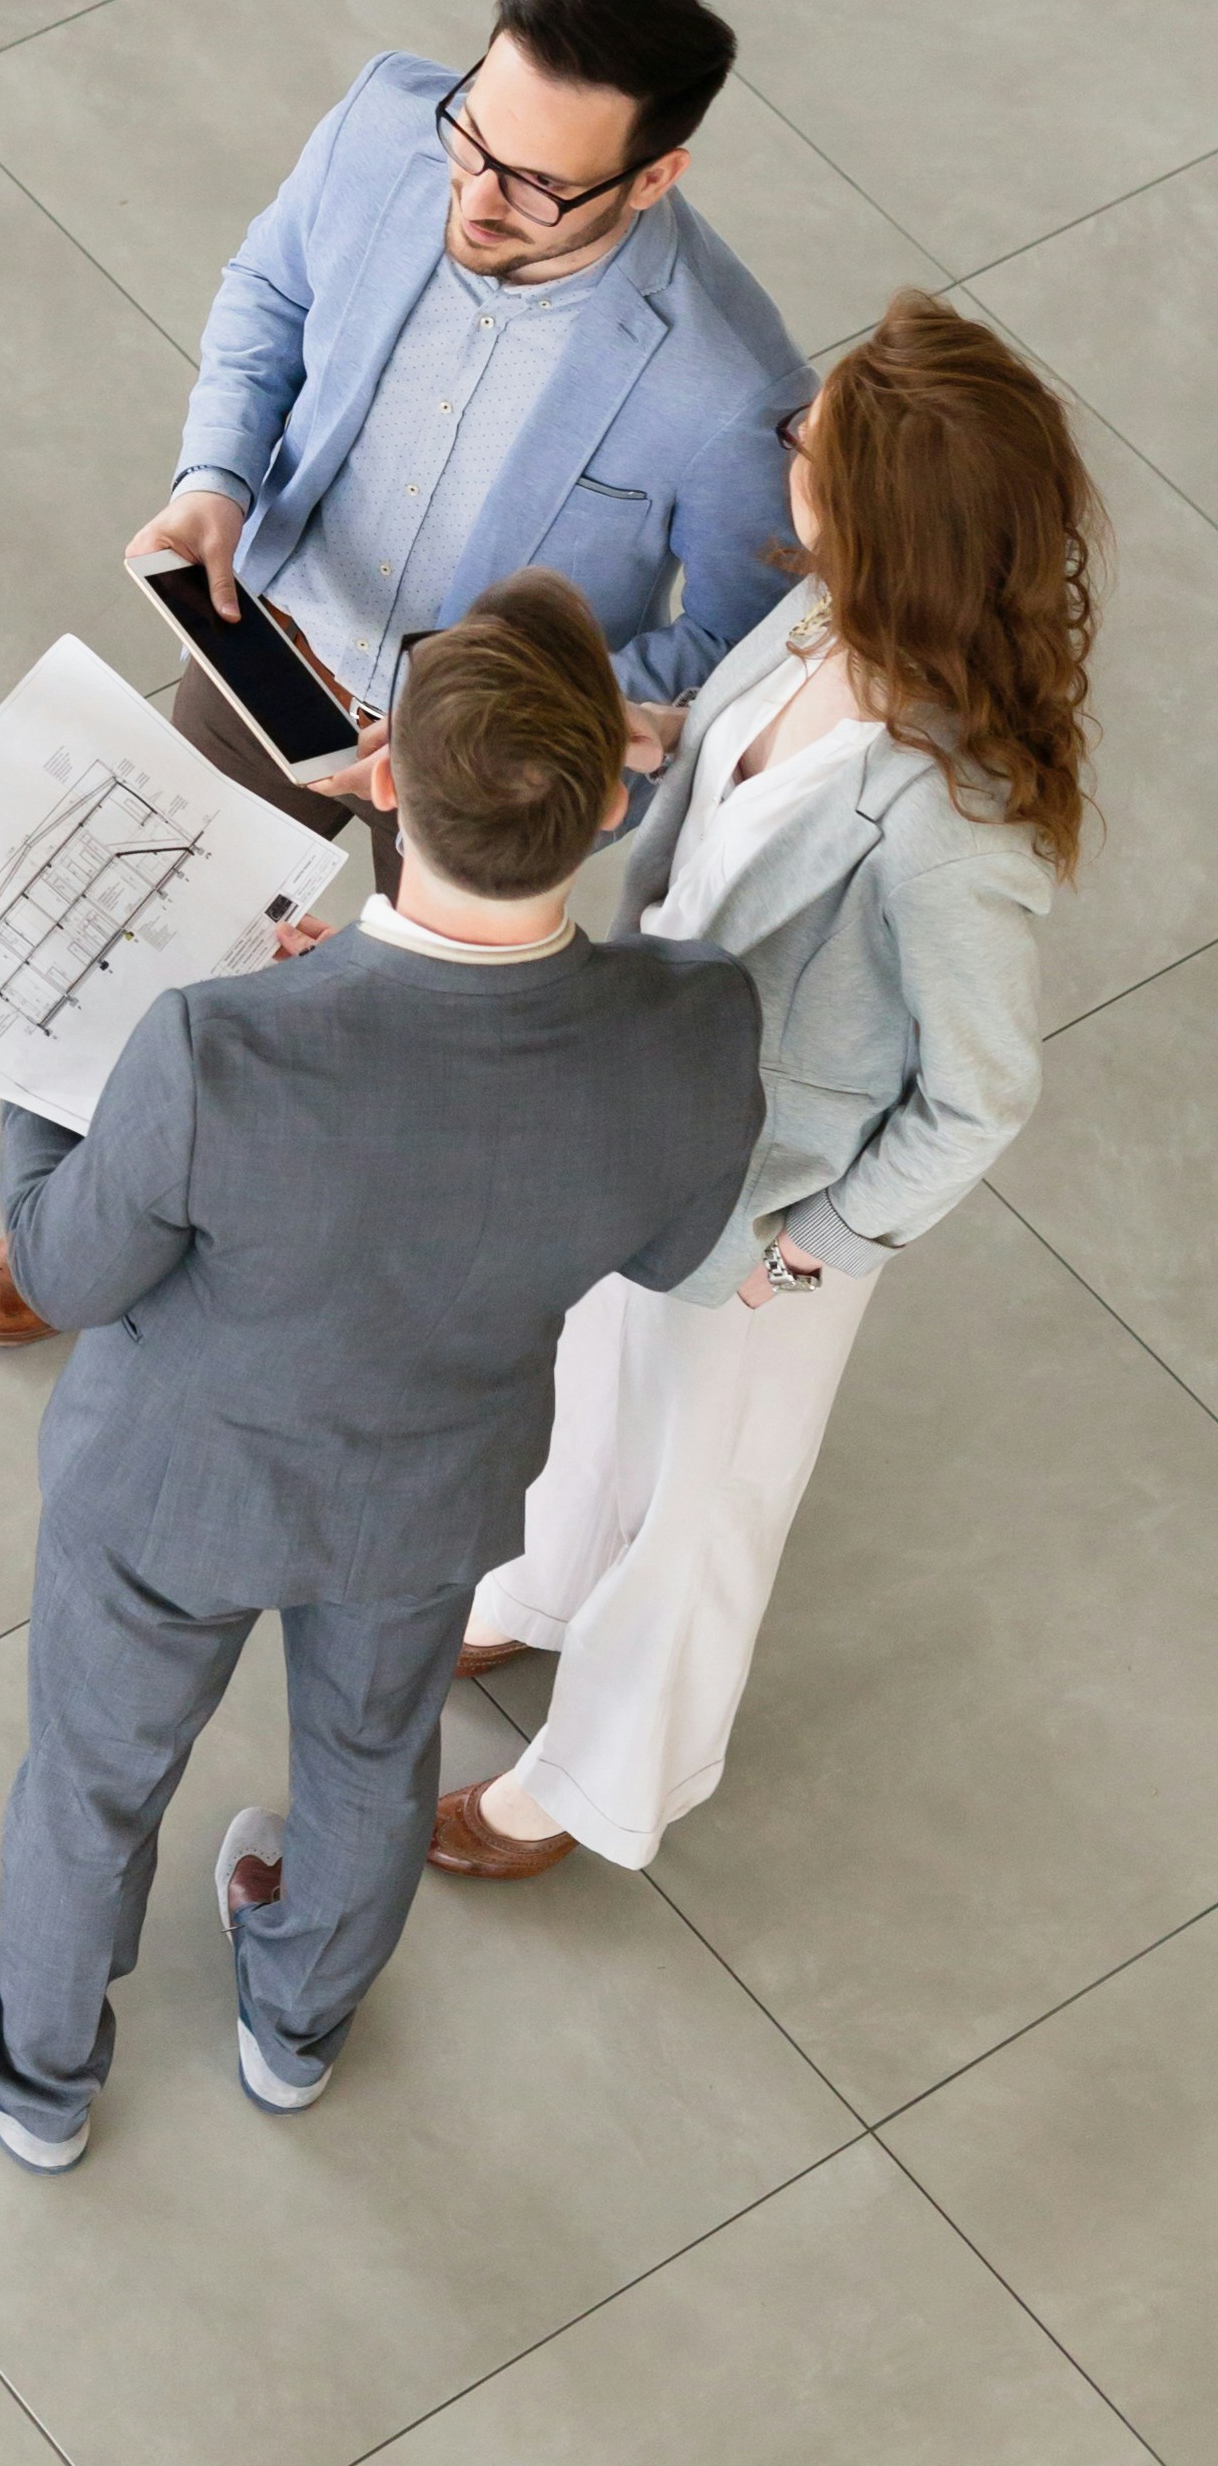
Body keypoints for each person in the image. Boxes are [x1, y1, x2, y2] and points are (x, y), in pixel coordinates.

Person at [0, 578, 762, 2168]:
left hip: (172, 1492)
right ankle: (293, 2031)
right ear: (610, 800)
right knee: (371, 1754)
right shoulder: (695, 1027)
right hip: (428, 1495)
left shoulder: (221, 1050)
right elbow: (672, 1248)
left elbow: (67, 1270)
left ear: (382, 785)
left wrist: (50, 1072)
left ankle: (42, 2073)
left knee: (96, 1778)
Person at [0, 0, 809, 1352]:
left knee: (394, 1061)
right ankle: (85, 1222)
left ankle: (280, 1277)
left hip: (467, 766)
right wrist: (218, 479)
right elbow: (271, 291)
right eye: (473, 132)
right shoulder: (378, 125)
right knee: (152, 936)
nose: (472, 196)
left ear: (654, 177)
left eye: (534, 183)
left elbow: (739, 641)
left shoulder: (728, 381)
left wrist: (527, 723)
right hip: (268, 639)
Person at [437, 295, 1093, 1886]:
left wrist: (825, 1246)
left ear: (880, 515)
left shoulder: (959, 827)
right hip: (645, 1105)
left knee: (704, 1499)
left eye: (818, 437)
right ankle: (532, 1589)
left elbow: (981, 1097)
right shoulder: (822, 620)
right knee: (594, 1366)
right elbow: (727, 785)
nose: (788, 435)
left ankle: (592, 1784)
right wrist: (637, 736)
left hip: (768, 1203)